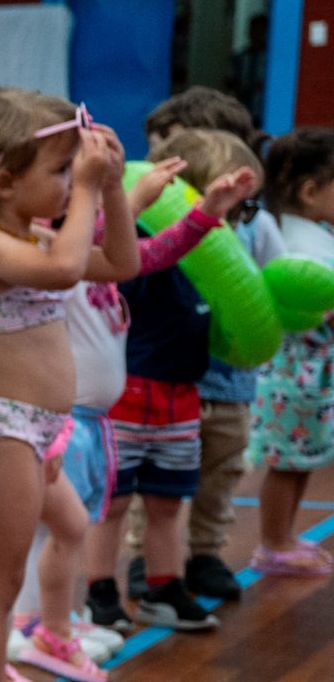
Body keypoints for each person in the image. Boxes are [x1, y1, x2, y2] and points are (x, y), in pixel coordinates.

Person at [0, 88, 135, 682]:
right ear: (2, 181)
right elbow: (64, 270)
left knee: (72, 526)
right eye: (58, 171)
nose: (68, 182)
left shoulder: (37, 237)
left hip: (42, 433)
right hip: (4, 434)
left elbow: (121, 264)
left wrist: (109, 188)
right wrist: (86, 188)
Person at [88, 126, 260, 639]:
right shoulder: (144, 246)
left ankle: (165, 587)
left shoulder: (223, 270)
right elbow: (131, 262)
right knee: (114, 503)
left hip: (180, 396)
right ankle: (100, 591)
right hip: (130, 393)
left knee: (167, 500)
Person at [136, 122, 275, 609]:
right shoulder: (159, 241)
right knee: (156, 478)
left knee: (222, 473)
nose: (236, 220)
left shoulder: (246, 239)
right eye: (231, 206)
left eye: (244, 209)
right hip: (169, 384)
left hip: (231, 387)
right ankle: (145, 558)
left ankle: (206, 553)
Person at [252, 128, 334, 576]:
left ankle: (283, 536)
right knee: (286, 464)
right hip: (293, 376)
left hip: (312, 375)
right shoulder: (300, 245)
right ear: (309, 191)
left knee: (302, 461)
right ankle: (273, 543)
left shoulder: (314, 234)